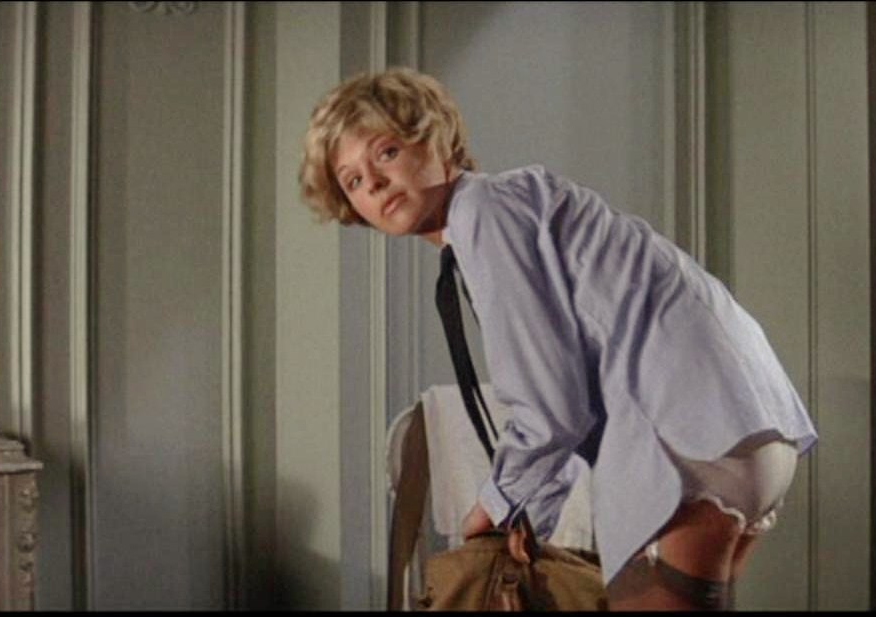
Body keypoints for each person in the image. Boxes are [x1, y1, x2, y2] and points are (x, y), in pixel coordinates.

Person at [299, 67, 817, 611]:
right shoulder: (509, 206)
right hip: (745, 424)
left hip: (690, 436)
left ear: (439, 140)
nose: (373, 183)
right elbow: (573, 391)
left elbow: (552, 405)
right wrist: (527, 509)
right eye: (352, 180)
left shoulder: (483, 212)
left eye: (385, 153)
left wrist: (496, 507)